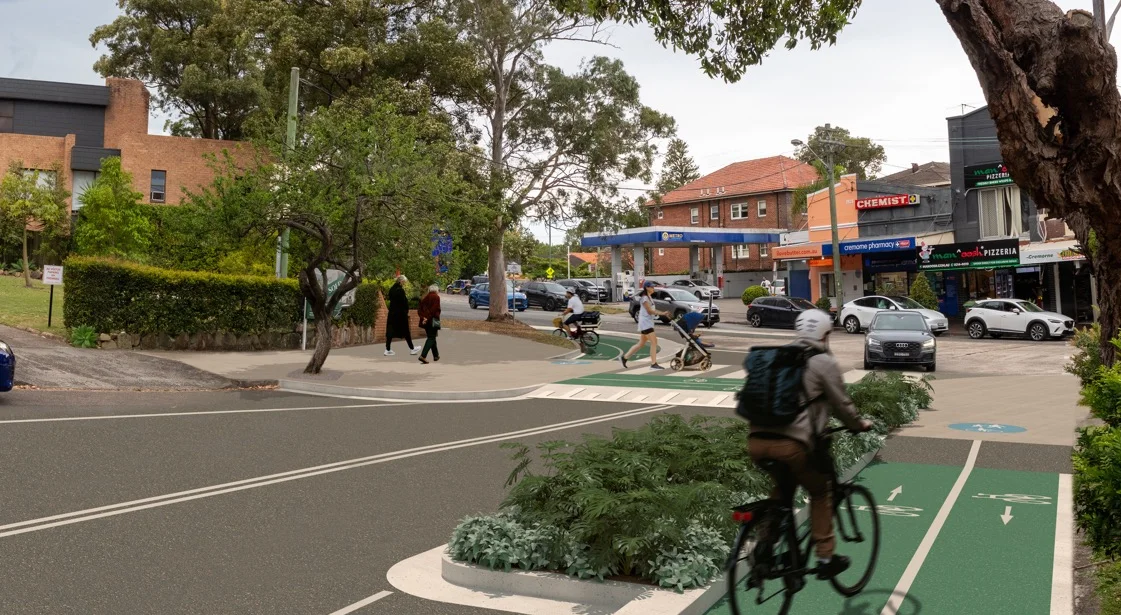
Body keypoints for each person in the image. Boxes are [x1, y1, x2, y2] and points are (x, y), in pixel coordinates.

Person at [748, 309, 874, 580]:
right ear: (825, 334)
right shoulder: (822, 362)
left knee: (782, 489)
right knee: (820, 490)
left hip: (757, 442)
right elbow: (841, 404)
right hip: (792, 446)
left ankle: (764, 547)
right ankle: (826, 556)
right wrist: (858, 425)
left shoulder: (779, 356)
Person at [621, 281, 667, 369]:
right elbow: (649, 311)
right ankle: (653, 364)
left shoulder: (649, 297)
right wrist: (662, 313)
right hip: (645, 323)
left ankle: (624, 357)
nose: (653, 288)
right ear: (647, 288)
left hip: (648, 322)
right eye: (652, 287)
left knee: (641, 344)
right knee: (654, 342)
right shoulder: (644, 298)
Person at [384, 275, 419, 357]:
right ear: (401, 281)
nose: (405, 283)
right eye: (404, 282)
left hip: (392, 313)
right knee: (406, 331)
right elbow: (404, 303)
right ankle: (412, 349)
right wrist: (406, 311)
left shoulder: (392, 289)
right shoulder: (400, 290)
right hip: (400, 314)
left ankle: (387, 349)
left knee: (390, 331)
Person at [417, 284, 441, 364]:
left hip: (425, 321)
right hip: (433, 320)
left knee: (432, 337)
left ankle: (436, 355)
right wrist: (427, 318)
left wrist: (423, 317)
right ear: (436, 290)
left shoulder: (425, 298)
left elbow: (419, 309)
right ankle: (423, 356)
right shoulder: (436, 297)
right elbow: (434, 309)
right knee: (431, 338)